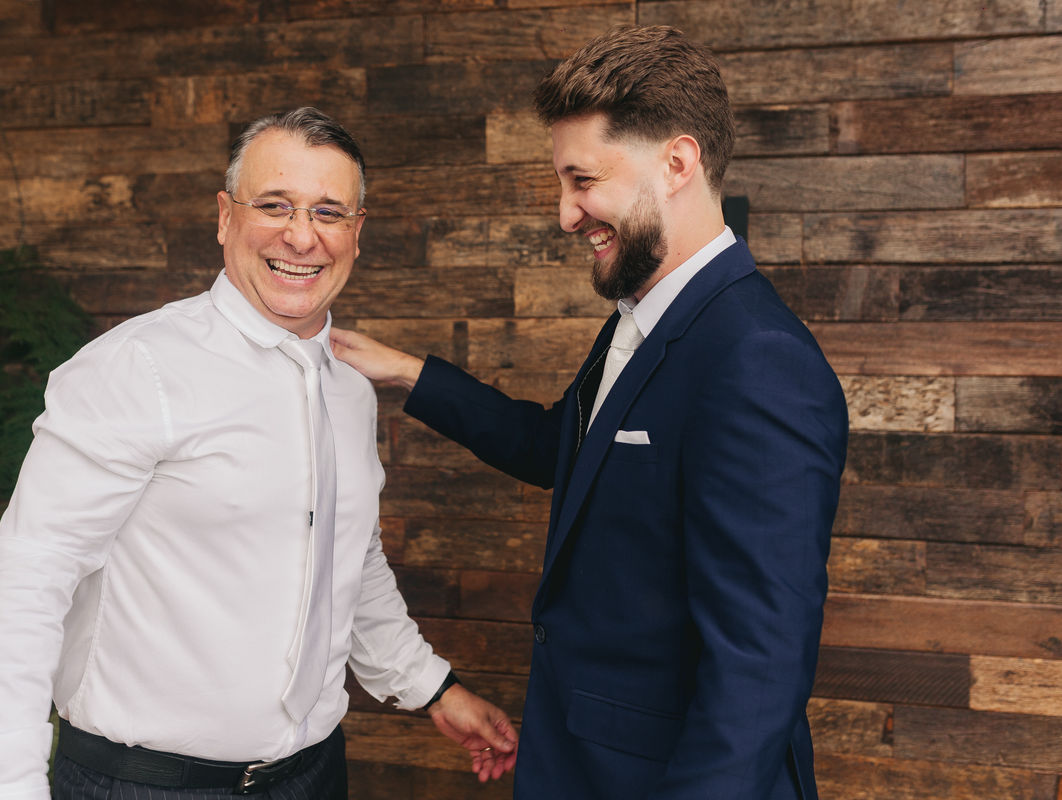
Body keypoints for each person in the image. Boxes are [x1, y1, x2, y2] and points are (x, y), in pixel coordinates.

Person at [0, 107, 517, 800]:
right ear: (224, 217)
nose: (301, 235)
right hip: (146, 786)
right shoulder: (137, 367)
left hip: (313, 777)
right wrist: (3, 782)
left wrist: (431, 686)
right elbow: (33, 574)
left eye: (328, 212)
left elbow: (348, 559)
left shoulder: (350, 390)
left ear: (356, 233)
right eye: (274, 205)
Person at [331, 26, 849, 800]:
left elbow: (760, 669)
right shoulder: (645, 318)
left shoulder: (757, 358)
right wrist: (410, 373)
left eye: (582, 181)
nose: (566, 214)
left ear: (677, 163)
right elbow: (566, 450)